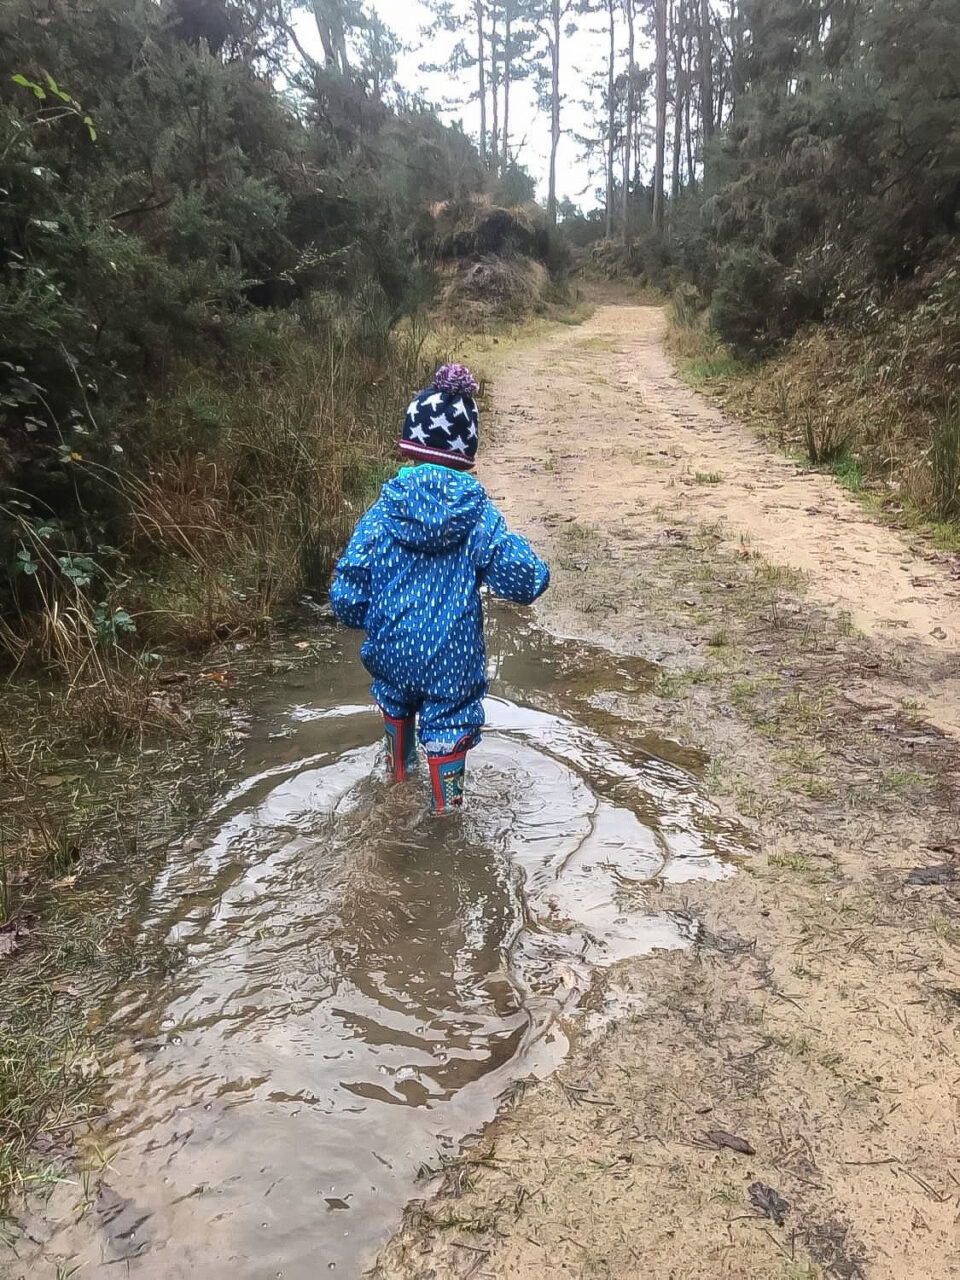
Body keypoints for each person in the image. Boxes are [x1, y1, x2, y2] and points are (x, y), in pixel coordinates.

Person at [330, 362, 550, 812]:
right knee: (449, 725)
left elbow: (348, 588)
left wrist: (366, 616)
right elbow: (524, 582)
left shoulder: (384, 508)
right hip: (451, 658)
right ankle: (447, 815)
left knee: (395, 701)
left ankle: (395, 783)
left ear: (411, 444)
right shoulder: (477, 514)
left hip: (392, 648)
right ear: (466, 452)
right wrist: (538, 572)